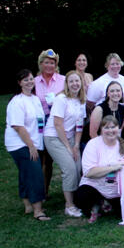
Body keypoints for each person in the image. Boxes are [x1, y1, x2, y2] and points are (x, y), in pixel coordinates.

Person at [75, 115, 124, 223]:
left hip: (117, 189)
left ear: (118, 129)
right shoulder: (93, 145)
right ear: (101, 130)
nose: (110, 131)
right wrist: (112, 168)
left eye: (113, 127)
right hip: (96, 186)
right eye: (106, 128)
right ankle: (100, 203)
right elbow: (89, 172)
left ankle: (104, 204)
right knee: (82, 196)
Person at [4, 69, 50, 221]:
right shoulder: (17, 102)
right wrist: (30, 146)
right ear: (19, 83)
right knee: (35, 174)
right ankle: (38, 210)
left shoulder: (35, 99)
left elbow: (39, 122)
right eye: (25, 80)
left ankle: (28, 206)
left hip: (34, 142)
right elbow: (18, 127)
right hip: (20, 144)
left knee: (26, 172)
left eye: (31, 79)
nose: (30, 82)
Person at [43, 71, 86, 217]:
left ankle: (78, 200)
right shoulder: (61, 99)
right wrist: (68, 147)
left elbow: (79, 126)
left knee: (78, 166)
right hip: (54, 137)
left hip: (71, 137)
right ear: (67, 84)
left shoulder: (81, 101)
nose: (75, 84)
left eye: (77, 81)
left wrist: (76, 145)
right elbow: (57, 124)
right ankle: (69, 205)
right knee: (69, 168)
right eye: (71, 81)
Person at [34, 49, 65, 199]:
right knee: (41, 157)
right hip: (39, 122)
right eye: (46, 62)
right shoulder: (33, 82)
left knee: (50, 158)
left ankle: (45, 190)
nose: (49, 65)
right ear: (41, 64)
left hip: (57, 121)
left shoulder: (63, 80)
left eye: (52, 63)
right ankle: (40, 190)